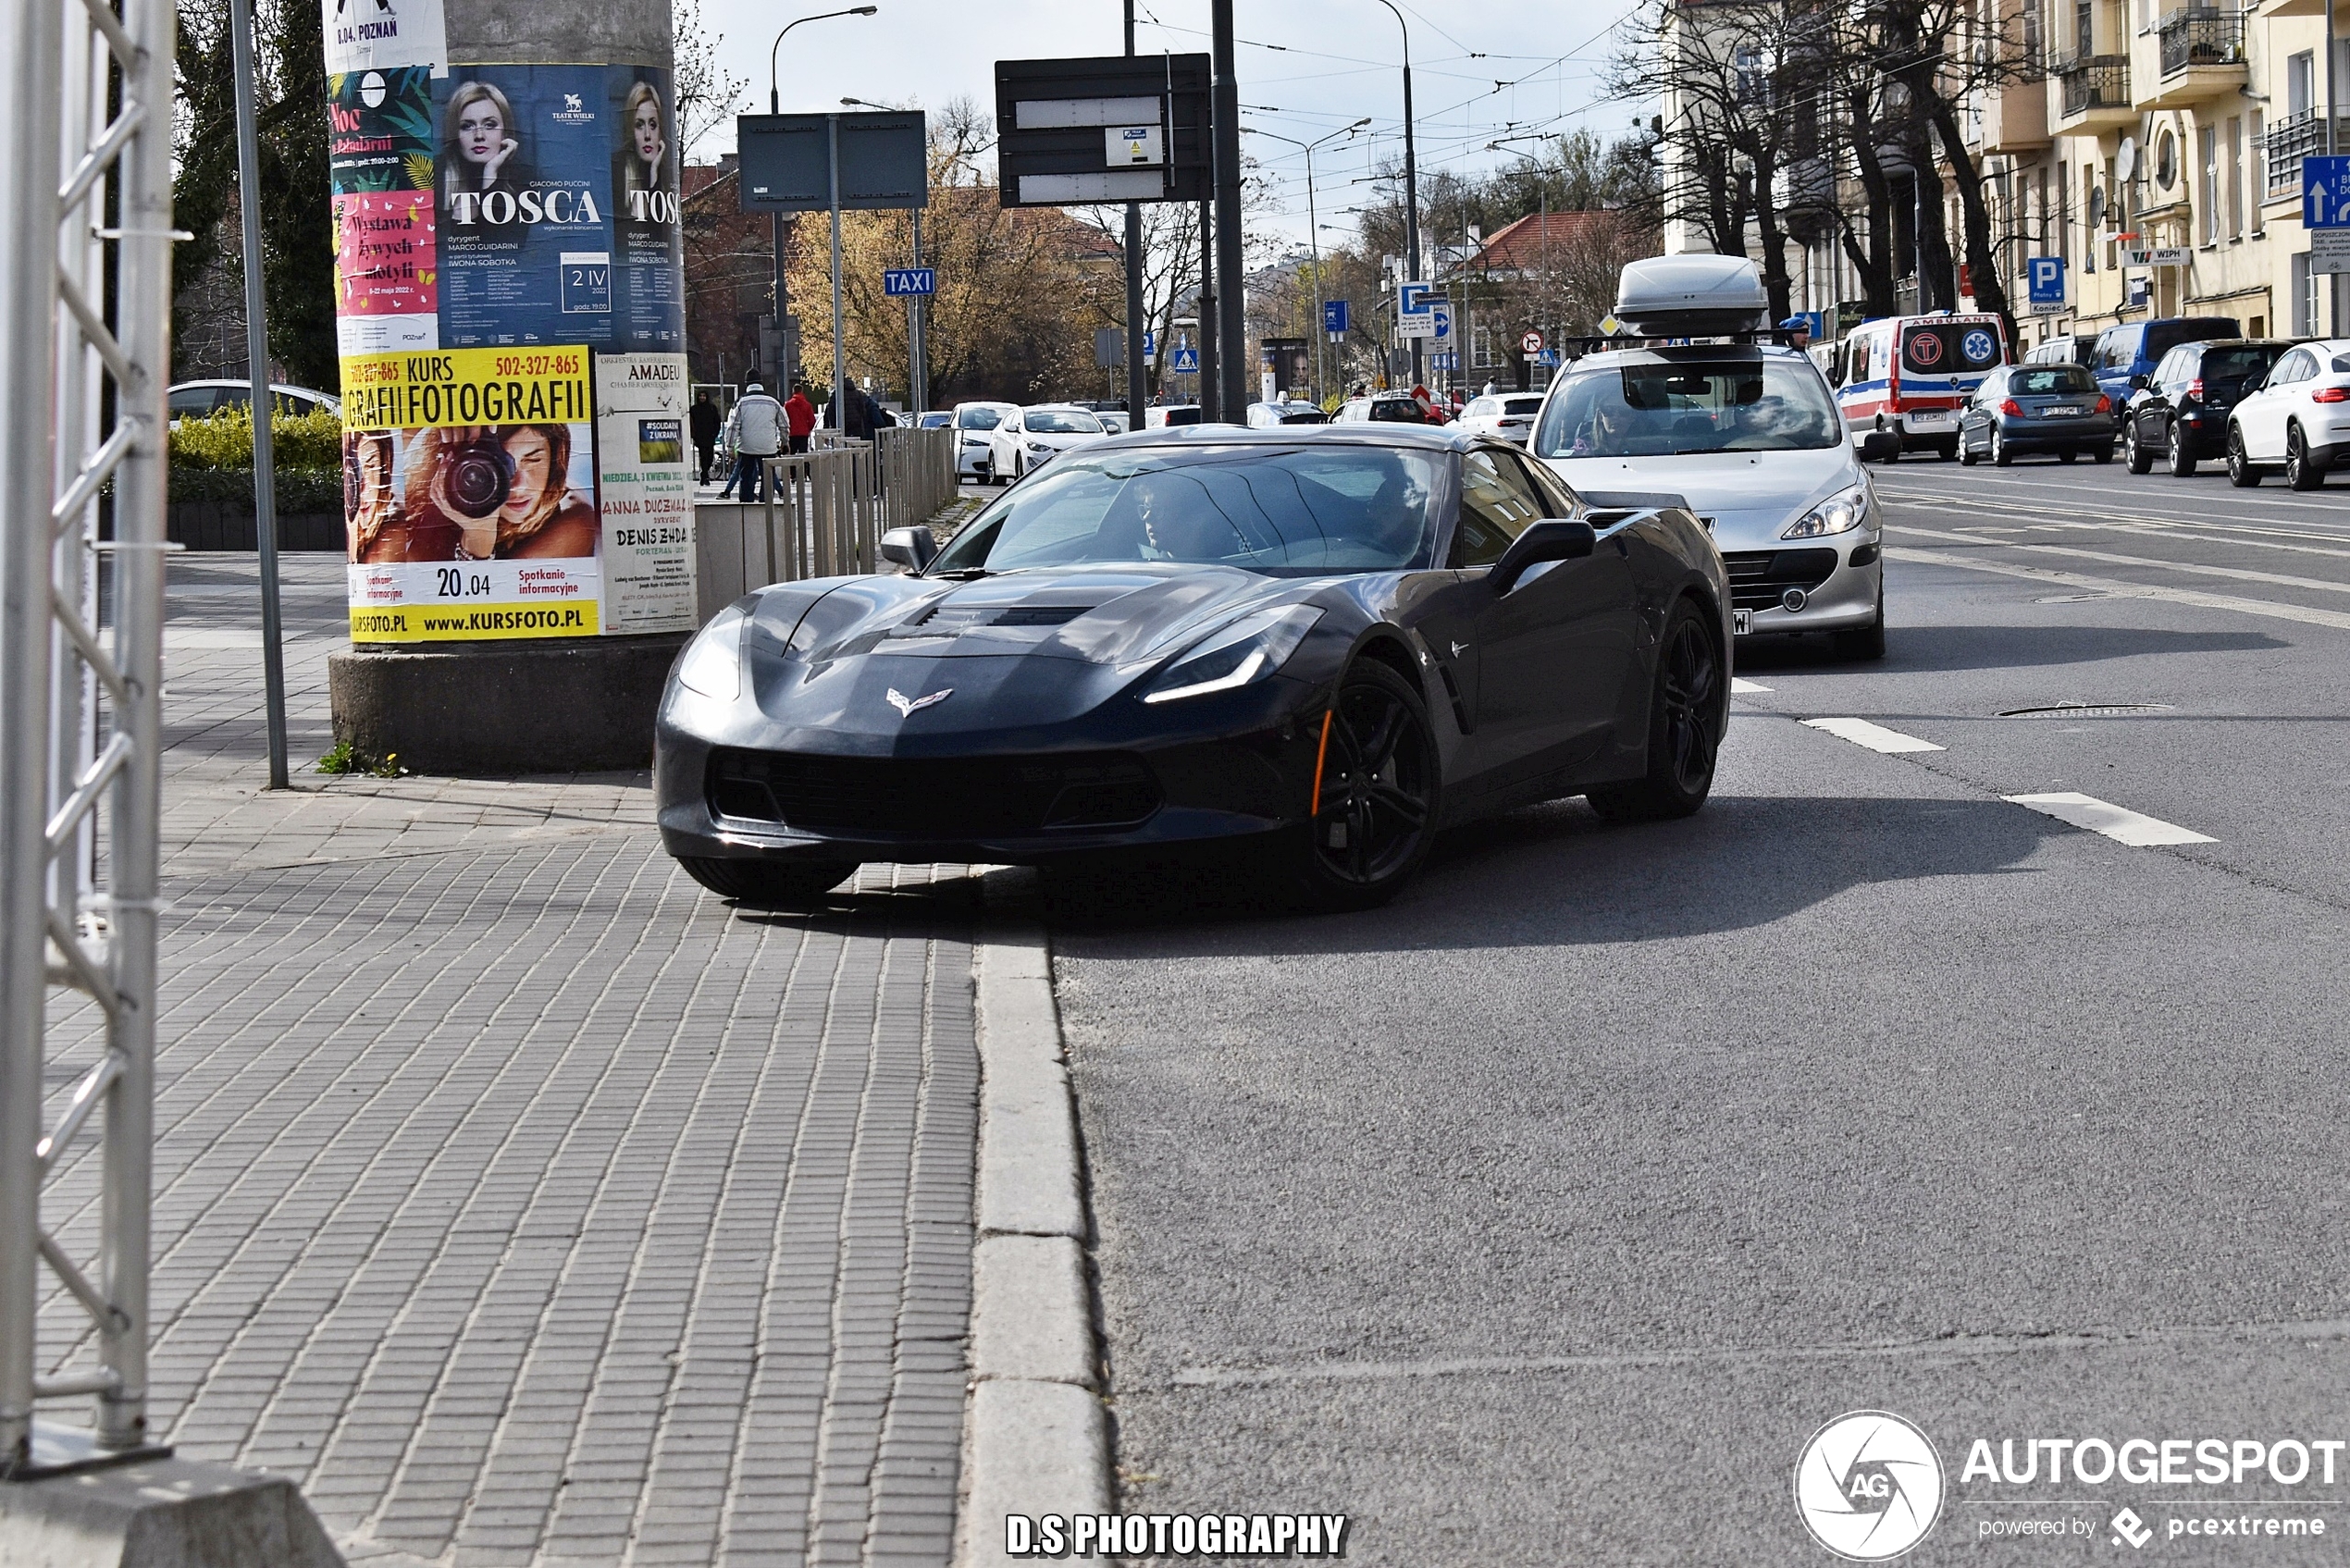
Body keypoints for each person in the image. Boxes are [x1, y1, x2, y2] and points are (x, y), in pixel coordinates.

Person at [401, 424, 599, 559]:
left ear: (554, 461)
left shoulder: (574, 519)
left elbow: (494, 603)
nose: (519, 485)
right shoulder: (439, 496)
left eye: (533, 460)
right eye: (499, 467)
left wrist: (479, 535)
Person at [439, 80, 533, 225]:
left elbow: (499, 243)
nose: (479, 136)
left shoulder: (522, 188)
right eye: (467, 126)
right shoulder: (433, 181)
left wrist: (490, 174)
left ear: (505, 131)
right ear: (454, 134)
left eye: (490, 125)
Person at [617, 80, 669, 226]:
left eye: (653, 125)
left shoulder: (666, 177)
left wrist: (654, 176)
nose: (647, 135)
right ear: (630, 129)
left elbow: (659, 233)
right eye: (639, 125)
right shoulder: (616, 175)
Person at [724, 380, 785, 500]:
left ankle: (746, 506)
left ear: (747, 384)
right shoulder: (774, 402)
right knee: (768, 477)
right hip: (768, 447)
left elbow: (733, 426)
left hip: (747, 448)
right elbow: (784, 425)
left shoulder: (740, 402)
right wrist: (784, 442)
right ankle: (766, 506)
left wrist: (730, 447)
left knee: (746, 478)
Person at [689, 391, 721, 483]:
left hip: (710, 436)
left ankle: (704, 473)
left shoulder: (712, 408)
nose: (702, 398)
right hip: (699, 437)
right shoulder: (694, 409)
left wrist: (715, 433)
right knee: (703, 456)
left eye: (704, 396)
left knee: (710, 457)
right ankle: (705, 476)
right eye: (700, 396)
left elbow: (717, 422)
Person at [784, 382, 816, 453]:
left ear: (793, 391)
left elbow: (784, 420)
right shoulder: (807, 405)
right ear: (802, 391)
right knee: (803, 455)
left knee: (793, 455)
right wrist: (807, 429)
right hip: (803, 434)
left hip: (792, 434)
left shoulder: (787, 405)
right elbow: (812, 420)